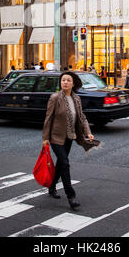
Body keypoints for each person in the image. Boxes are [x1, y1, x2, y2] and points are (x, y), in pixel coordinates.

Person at [42, 71, 100, 210]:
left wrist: (88, 132)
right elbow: (48, 118)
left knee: (61, 164)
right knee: (65, 164)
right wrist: (45, 138)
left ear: (73, 83)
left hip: (70, 136)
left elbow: (81, 117)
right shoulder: (55, 98)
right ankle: (71, 196)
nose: (65, 82)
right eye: (63, 80)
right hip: (56, 137)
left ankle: (52, 186)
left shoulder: (76, 99)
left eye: (68, 80)